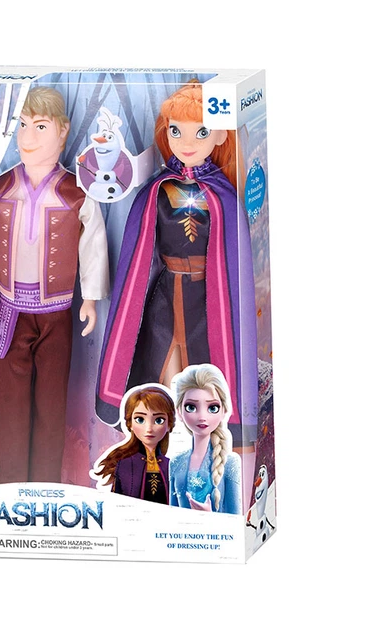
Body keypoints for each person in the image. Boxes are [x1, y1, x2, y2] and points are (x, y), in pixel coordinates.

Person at [96, 81, 258, 449]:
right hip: (165, 296)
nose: (186, 142)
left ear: (219, 136)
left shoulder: (222, 195)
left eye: (200, 132)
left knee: (204, 375)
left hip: (208, 300)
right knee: (160, 367)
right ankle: (158, 451)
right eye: (175, 131)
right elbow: (139, 249)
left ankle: (206, 449)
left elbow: (232, 259)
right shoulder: (158, 189)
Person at [0, 87, 109, 483]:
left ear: (62, 131)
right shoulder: (0, 189)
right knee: (11, 406)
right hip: (11, 313)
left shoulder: (76, 191)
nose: (27, 137)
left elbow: (93, 242)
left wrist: (90, 298)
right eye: (22, 125)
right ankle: (10, 486)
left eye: (40, 126)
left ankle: (47, 485)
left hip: (56, 314)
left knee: (51, 407)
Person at [169, 364, 241, 513]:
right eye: (191, 407)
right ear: (179, 412)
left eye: (212, 408)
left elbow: (235, 517)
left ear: (223, 411)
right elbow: (172, 513)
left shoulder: (230, 462)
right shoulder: (176, 463)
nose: (202, 417)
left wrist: (208, 516)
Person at [92, 385, 175, 504]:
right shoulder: (124, 465)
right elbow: (116, 504)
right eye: (140, 420)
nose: (149, 428)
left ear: (169, 425)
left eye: (158, 420)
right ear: (130, 423)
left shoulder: (172, 466)